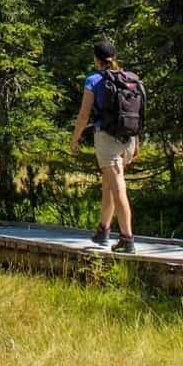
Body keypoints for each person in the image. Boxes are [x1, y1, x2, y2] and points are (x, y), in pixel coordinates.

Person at [70, 37, 138, 251]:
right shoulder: (130, 78)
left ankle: (127, 238)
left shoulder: (94, 80)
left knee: (118, 187)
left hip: (106, 138)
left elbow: (84, 115)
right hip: (128, 137)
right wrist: (137, 142)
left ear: (96, 58)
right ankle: (104, 229)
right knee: (109, 182)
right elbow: (137, 113)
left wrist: (75, 138)